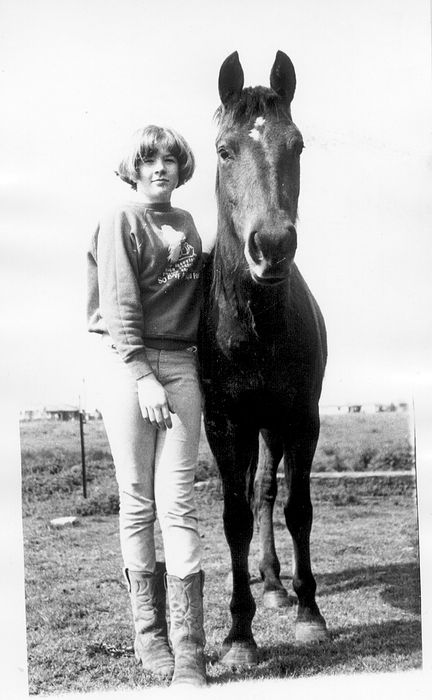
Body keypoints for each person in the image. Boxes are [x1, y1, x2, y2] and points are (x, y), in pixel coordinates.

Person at [86, 125, 206, 687]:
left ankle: (189, 649)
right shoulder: (120, 220)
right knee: (138, 503)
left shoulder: (187, 225)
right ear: (134, 169)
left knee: (178, 504)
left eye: (170, 160)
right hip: (128, 365)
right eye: (149, 160)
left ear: (183, 169)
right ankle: (149, 636)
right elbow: (118, 301)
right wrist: (141, 374)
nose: (160, 168)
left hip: (182, 363)